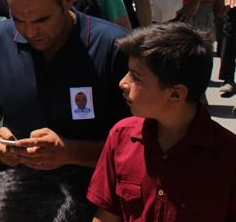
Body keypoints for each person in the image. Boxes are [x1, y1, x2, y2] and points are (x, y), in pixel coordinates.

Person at [0, 0, 129, 219]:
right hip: (23, 205)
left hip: (96, 207)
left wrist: (70, 152)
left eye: (41, 20)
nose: (30, 32)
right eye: (18, 19)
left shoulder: (113, 47)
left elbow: (138, 144)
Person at [87, 23, 236, 221]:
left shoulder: (228, 156)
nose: (123, 82)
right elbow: (106, 215)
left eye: (136, 77)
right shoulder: (121, 137)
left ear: (175, 94)